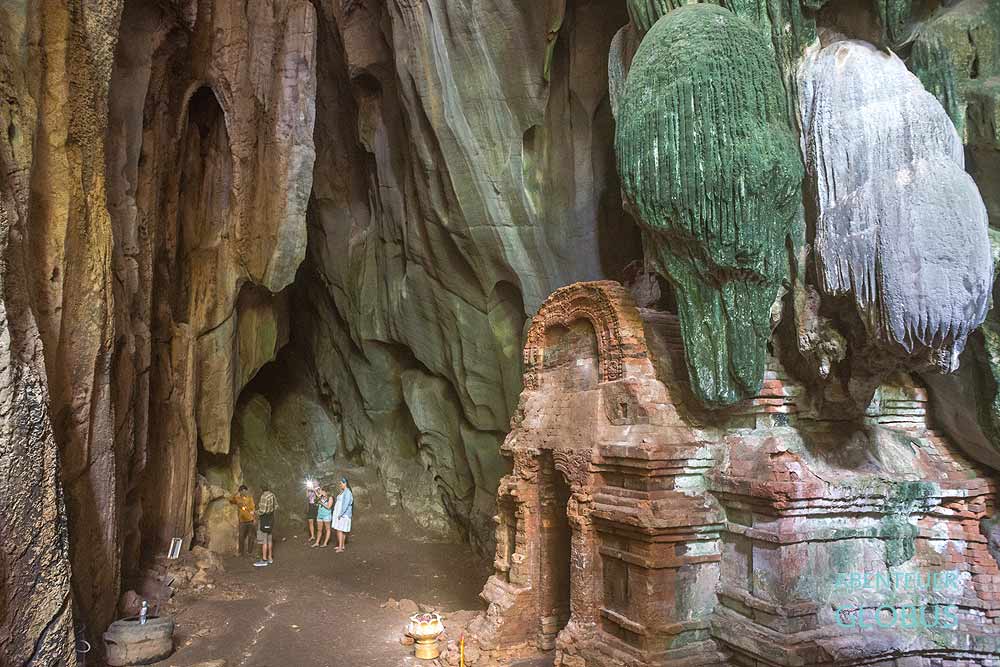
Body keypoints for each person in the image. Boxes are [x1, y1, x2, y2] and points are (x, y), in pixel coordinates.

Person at [228, 485, 256, 557]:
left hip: (250, 520)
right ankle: (241, 552)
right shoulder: (237, 498)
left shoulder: (250, 499)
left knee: (251, 536)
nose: (243, 493)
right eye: (241, 491)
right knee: (241, 537)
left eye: (244, 491)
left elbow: (252, 508)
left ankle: (250, 551)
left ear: (246, 491)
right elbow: (230, 500)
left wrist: (254, 518)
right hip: (242, 521)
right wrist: (235, 494)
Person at [254, 484, 278, 567]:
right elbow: (276, 506)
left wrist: (254, 512)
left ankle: (264, 560)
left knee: (264, 540)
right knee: (269, 539)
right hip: (271, 519)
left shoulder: (264, 497)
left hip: (264, 520)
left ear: (261, 489)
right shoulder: (272, 495)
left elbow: (262, 511)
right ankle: (270, 558)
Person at [333, 477, 353, 553]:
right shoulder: (343, 491)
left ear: (345, 483)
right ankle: (342, 545)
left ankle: (340, 547)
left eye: (341, 483)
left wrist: (341, 513)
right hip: (340, 513)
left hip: (343, 514)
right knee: (342, 530)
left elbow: (346, 504)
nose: (340, 485)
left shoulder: (347, 492)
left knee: (340, 530)